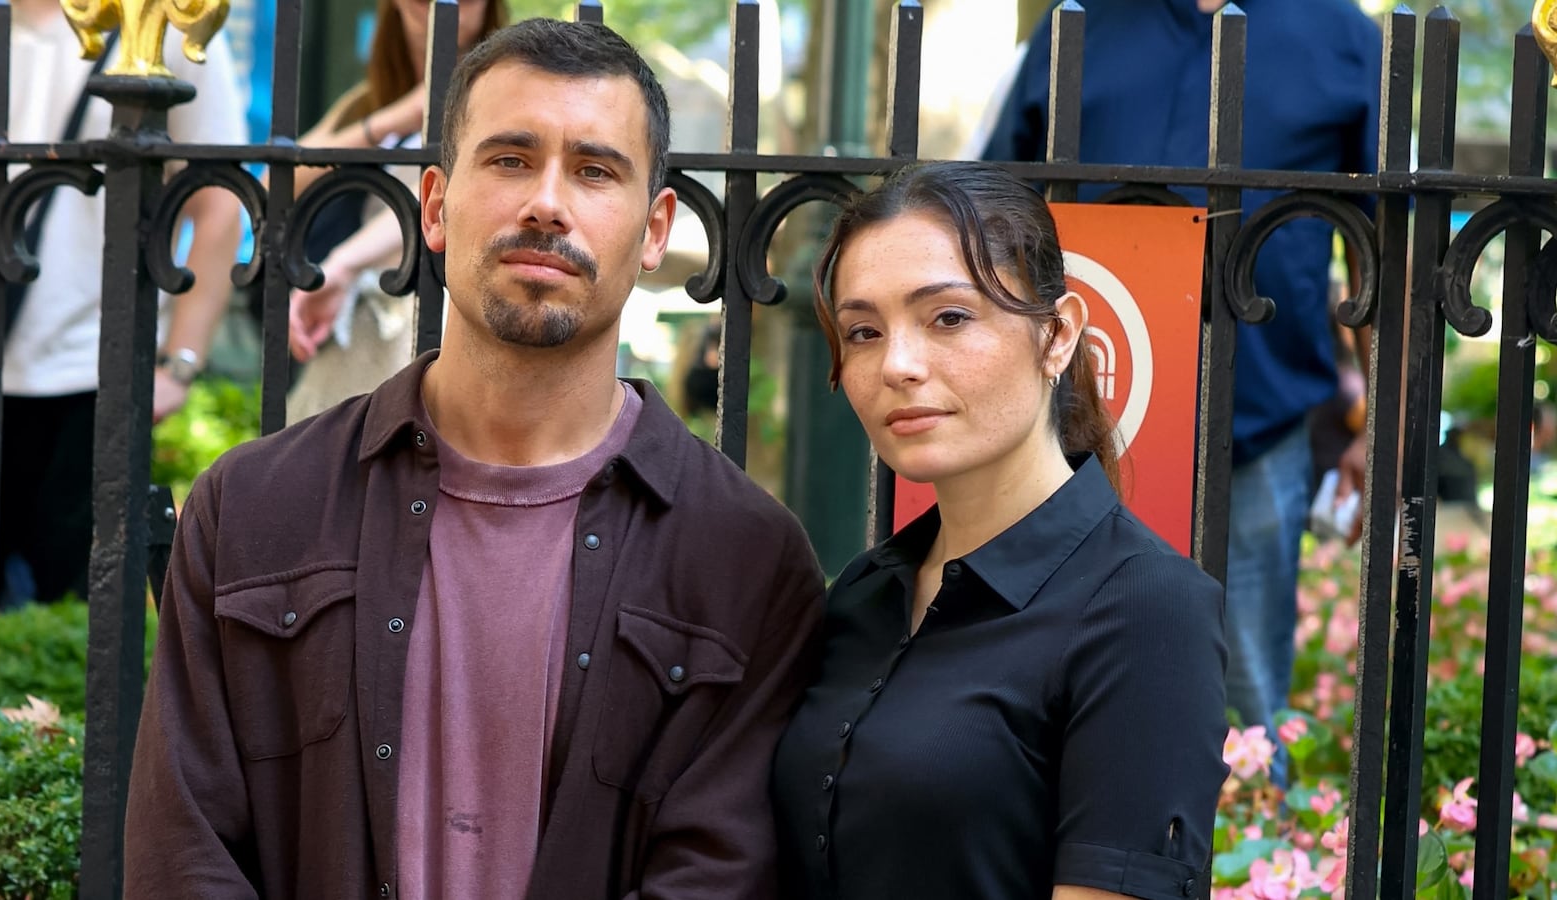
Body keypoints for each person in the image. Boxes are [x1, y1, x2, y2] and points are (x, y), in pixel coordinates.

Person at [125, 18, 826, 900]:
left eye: (594, 170)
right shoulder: (255, 508)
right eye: (509, 159)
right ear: (434, 206)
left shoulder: (746, 558)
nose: (546, 202)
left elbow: (717, 876)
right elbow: (181, 856)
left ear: (654, 232)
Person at [772, 162, 1228, 900]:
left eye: (949, 317)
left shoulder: (1145, 607)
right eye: (863, 331)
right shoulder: (865, 591)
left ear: (1058, 336)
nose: (897, 365)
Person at [978, 0, 1380, 734]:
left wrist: (1386, 427)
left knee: (1242, 708)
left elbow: (1383, 249)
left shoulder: (1344, 36)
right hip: (1069, 432)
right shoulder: (1077, 21)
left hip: (1255, 432)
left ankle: (1248, 814)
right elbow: (992, 214)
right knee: (1034, 691)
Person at [0, 0, 246, 606]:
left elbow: (218, 198)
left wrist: (180, 361)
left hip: (95, 365)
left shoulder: (170, 15)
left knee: (83, 611)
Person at [280, 0, 507, 423]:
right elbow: (275, 181)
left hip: (433, 317)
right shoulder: (371, 98)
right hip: (355, 322)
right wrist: (390, 120)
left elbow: (440, 200)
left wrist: (344, 263)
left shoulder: (503, 92)